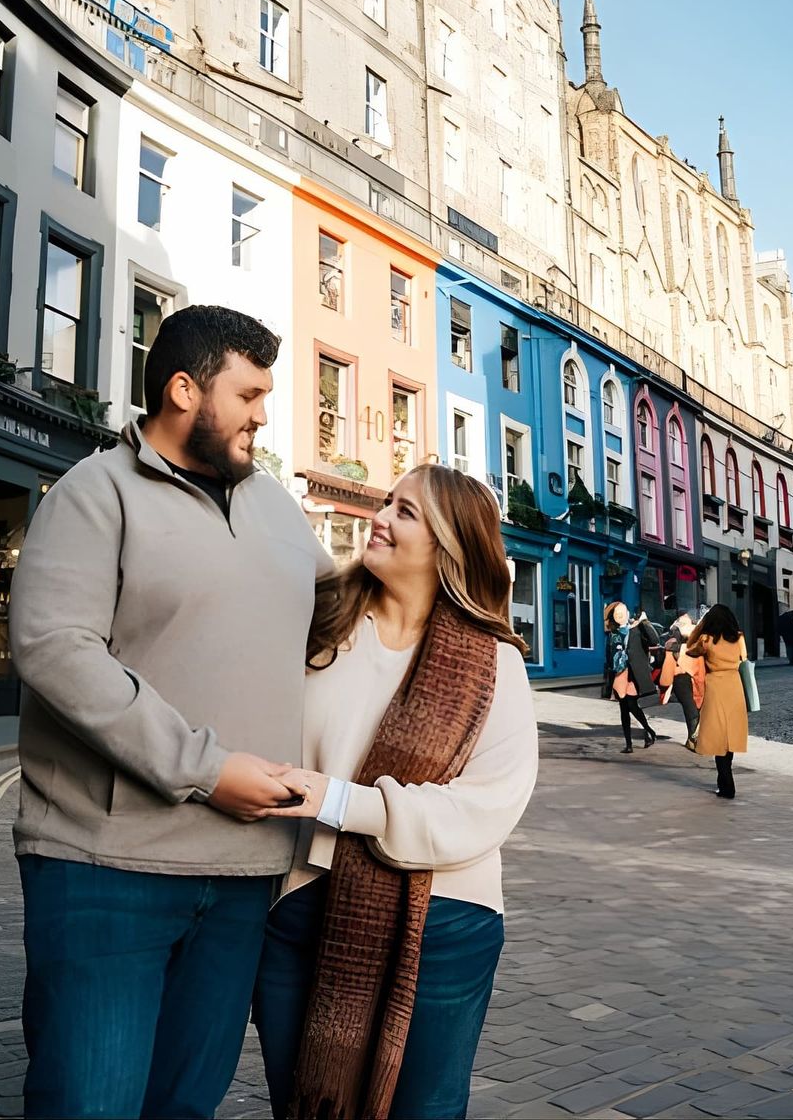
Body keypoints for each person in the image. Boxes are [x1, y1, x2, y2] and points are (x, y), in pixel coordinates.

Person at [8, 306, 334, 1119]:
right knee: (90, 1105)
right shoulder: (95, 492)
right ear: (185, 389)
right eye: (250, 393)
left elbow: (343, 617)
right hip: (105, 867)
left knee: (186, 1107)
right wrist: (205, 769)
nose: (264, 414)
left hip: (244, 874)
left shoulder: (275, 505)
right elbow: (56, 649)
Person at [251, 465, 539, 1120]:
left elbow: (484, 808)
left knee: (425, 1110)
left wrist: (342, 802)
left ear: (449, 547)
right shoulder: (324, 628)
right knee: (305, 1105)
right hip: (302, 903)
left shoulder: (495, 664)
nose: (380, 517)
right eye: (386, 502)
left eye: (405, 512)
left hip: (446, 918)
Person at [686, 604, 749, 799]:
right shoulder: (739, 638)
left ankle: (726, 784)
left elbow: (689, 648)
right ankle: (725, 782)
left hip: (715, 686)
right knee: (730, 735)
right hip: (735, 686)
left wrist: (700, 626)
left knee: (717, 736)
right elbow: (744, 660)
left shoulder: (706, 639)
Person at [602, 602, 659, 753]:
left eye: (622, 613)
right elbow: (609, 656)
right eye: (617, 614)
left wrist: (645, 622)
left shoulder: (637, 630)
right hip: (620, 673)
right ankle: (629, 744)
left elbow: (654, 640)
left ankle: (649, 731)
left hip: (633, 674)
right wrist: (608, 676)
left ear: (627, 614)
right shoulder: (613, 634)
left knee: (632, 705)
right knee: (623, 709)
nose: (620, 616)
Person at [659, 612, 705, 748]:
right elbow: (665, 678)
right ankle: (694, 739)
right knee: (691, 709)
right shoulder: (675, 645)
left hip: (694, 679)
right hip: (682, 679)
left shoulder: (696, 644)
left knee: (694, 709)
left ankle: (694, 738)